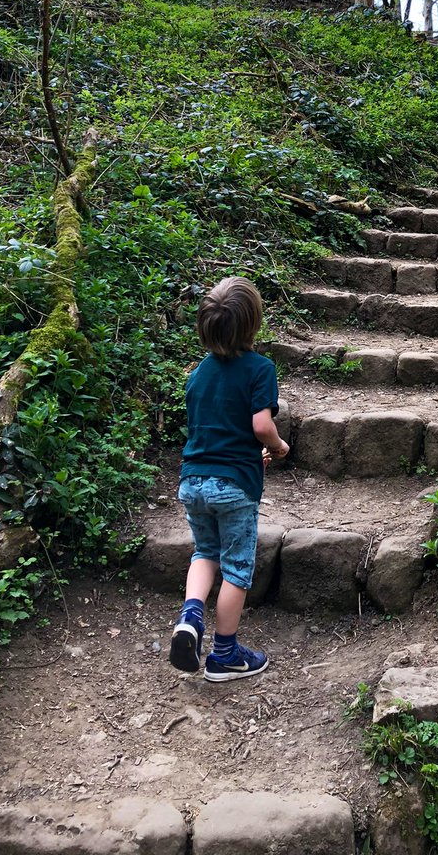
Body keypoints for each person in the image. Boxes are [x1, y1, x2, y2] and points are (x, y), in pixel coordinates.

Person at [169, 276, 289, 682]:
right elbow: (259, 425)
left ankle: (189, 618)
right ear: (253, 323)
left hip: (193, 479)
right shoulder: (260, 369)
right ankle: (224, 654)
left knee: (204, 553)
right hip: (234, 486)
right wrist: (279, 445)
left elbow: (212, 429)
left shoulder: (198, 375)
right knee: (236, 568)